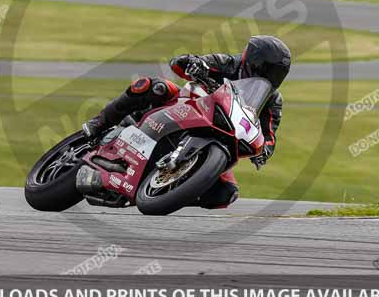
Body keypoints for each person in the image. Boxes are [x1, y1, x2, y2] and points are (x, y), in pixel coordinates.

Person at [81, 35, 291, 209]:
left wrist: (264, 151)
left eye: (278, 73)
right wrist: (192, 63)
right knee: (154, 87)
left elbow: (269, 135)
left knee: (226, 194)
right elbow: (183, 64)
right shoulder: (228, 63)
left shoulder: (272, 100)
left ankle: (165, 191)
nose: (273, 77)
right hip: (189, 105)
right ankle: (99, 123)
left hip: (222, 135)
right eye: (270, 69)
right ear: (256, 61)